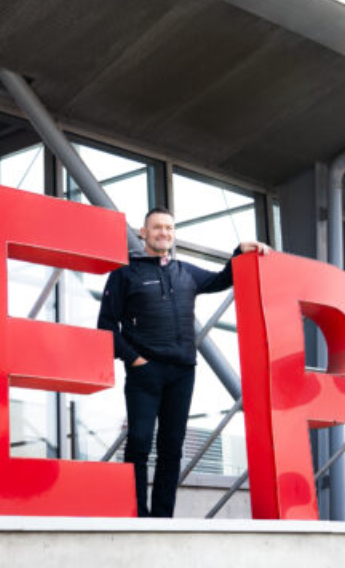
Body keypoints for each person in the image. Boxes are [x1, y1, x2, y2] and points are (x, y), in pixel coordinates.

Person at [98, 207, 270, 517]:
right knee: (138, 442)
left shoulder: (185, 272)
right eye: (157, 228)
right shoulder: (124, 274)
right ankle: (135, 515)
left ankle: (162, 517)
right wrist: (135, 360)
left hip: (181, 373)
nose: (164, 232)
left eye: (168, 228)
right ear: (143, 232)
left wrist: (239, 252)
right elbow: (106, 327)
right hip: (144, 374)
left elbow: (221, 280)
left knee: (172, 446)